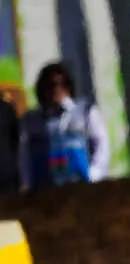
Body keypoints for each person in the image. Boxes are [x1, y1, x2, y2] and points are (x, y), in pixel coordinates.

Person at [18, 62, 108, 190]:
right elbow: (24, 156)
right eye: (51, 85)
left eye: (62, 84)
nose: (57, 89)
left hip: (81, 186)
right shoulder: (31, 120)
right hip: (45, 189)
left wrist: (93, 176)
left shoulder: (85, 111)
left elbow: (102, 146)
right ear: (42, 89)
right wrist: (28, 184)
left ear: (69, 86)